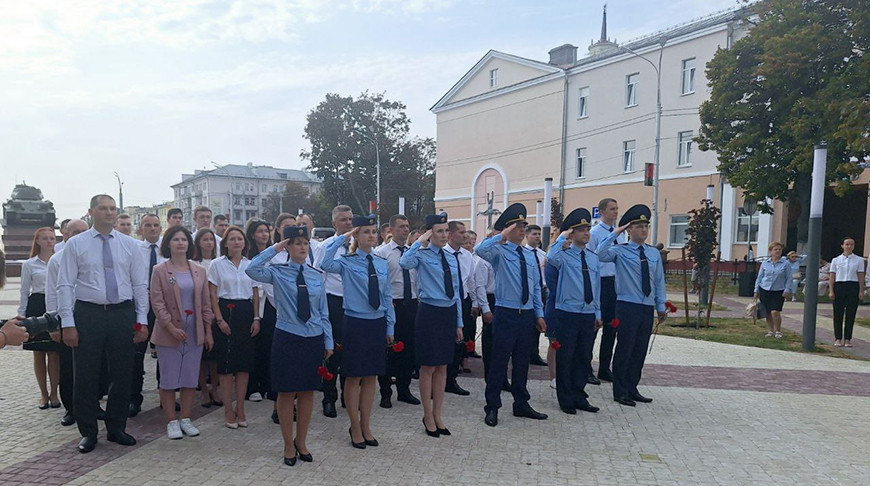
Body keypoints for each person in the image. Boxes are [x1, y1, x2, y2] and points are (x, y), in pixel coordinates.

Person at [57, 194, 150, 454]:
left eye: (112, 209)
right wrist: (68, 323)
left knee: (122, 374)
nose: (109, 213)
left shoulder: (130, 245)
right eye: (103, 208)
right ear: (91, 212)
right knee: (85, 375)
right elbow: (65, 284)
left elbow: (140, 284)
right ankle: (88, 432)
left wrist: (141, 319)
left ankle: (116, 428)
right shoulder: (76, 244)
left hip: (122, 313)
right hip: (89, 314)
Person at [246, 225, 334, 465]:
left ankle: (301, 441)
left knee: (306, 392)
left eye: (305, 243)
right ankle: (287, 444)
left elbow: (322, 312)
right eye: (296, 243)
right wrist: (275, 248)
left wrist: (328, 340)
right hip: (288, 337)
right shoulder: (278, 271)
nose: (302, 247)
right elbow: (252, 269)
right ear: (288, 246)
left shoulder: (316, 275)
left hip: (313, 338)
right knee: (286, 392)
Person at [320, 214, 395, 449]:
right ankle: (354, 424)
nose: (371, 235)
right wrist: (343, 237)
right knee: (353, 377)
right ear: (357, 235)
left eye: (374, 232)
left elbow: (387, 297)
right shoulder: (347, 261)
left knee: (371, 376)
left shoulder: (381, 263)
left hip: (376, 323)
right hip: (355, 323)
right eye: (366, 232)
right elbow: (325, 263)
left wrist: (390, 325)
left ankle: (366, 424)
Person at [476, 203, 548, 427]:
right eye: (517, 226)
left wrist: (539, 313)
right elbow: (480, 250)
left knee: (522, 361)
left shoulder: (529, 255)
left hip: (526, 314)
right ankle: (492, 406)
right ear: (507, 229)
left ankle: (521, 403)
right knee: (499, 361)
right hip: (506, 312)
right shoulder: (498, 250)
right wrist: (501, 235)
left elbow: (536, 287)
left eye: (523, 226)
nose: (522, 230)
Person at [596, 204, 668, 407]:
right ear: (629, 229)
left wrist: (660, 305)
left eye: (646, 226)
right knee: (625, 348)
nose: (643, 230)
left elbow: (659, 281)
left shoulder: (653, 253)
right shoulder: (619, 250)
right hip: (627, 306)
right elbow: (600, 254)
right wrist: (615, 232)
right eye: (638, 226)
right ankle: (620, 390)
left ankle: (632, 387)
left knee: (639, 349)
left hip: (646, 307)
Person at [400, 212, 463, 437]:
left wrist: (459, 322)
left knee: (443, 366)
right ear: (429, 233)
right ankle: (427, 414)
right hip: (429, 313)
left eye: (446, 231)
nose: (444, 235)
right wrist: (419, 241)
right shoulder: (422, 255)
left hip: (447, 314)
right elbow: (404, 262)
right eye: (439, 231)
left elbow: (455, 291)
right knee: (428, 366)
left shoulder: (450, 257)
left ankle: (438, 414)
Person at [149, 226, 214, 439]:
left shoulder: (199, 271)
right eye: (176, 239)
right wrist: (171, 327)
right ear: (168, 243)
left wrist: (208, 330)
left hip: (194, 332)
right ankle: (171, 421)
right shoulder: (160, 270)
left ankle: (186, 419)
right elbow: (157, 303)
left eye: (184, 239)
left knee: (189, 378)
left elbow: (205, 303)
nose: (180, 243)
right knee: (168, 379)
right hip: (169, 332)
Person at [547, 209, 602, 414]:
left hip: (587, 313)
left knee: (583, 356)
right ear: (572, 233)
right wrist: (562, 236)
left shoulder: (593, 257)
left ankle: (580, 395)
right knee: (566, 356)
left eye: (588, 229)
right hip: (567, 312)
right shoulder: (563, 255)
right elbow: (551, 257)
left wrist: (597, 313)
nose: (586, 233)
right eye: (580, 230)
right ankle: (566, 398)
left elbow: (596, 287)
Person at [207, 225, 260, 429]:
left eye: (240, 239)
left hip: (246, 312)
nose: (236, 242)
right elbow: (212, 293)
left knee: (244, 364)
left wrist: (256, 318)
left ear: (245, 243)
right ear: (226, 243)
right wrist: (219, 319)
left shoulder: (251, 264)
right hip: (226, 311)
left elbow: (255, 293)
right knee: (227, 364)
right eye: (232, 239)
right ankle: (228, 409)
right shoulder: (216, 264)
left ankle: (241, 409)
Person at [374, 214, 421, 408]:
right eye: (401, 226)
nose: (405, 230)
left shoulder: (413, 253)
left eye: (407, 226)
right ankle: (385, 392)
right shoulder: (381, 253)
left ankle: (404, 390)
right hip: (391, 305)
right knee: (388, 350)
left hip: (411, 304)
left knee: (408, 350)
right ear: (391, 230)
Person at [45, 218, 89, 426]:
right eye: (75, 232)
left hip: (91, 317)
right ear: (66, 235)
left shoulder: (94, 255)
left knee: (92, 365)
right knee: (68, 367)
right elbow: (52, 294)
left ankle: (91, 405)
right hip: (66, 319)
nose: (79, 235)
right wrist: (54, 324)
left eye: (84, 231)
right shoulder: (57, 259)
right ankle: (71, 409)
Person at [313, 205, 354, 418]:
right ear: (334, 224)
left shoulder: (359, 245)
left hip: (355, 305)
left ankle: (348, 396)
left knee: (350, 353)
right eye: (343, 220)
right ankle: (329, 398)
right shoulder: (326, 247)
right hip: (333, 302)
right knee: (332, 353)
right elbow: (318, 279)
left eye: (350, 219)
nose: (348, 223)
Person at [19, 226, 61, 409]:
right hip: (36, 304)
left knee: (54, 352)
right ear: (37, 241)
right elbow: (23, 291)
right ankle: (43, 394)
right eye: (45, 238)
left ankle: (54, 393)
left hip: (54, 304)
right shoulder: (29, 264)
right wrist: (21, 315)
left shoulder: (60, 260)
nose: (49, 241)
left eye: (52, 238)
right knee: (38, 352)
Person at [129, 213, 166, 418]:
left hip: (164, 309)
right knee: (136, 355)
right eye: (148, 225)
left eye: (156, 225)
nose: (152, 229)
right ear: (140, 229)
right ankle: (134, 398)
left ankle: (165, 395)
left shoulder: (167, 249)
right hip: (139, 309)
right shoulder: (134, 249)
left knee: (164, 353)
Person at [588, 198, 620, 382]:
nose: (615, 212)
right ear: (602, 212)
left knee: (611, 328)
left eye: (617, 209)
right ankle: (586, 368)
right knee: (594, 327)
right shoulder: (594, 233)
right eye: (612, 209)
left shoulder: (618, 234)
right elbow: (592, 259)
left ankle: (605, 368)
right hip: (600, 282)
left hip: (615, 284)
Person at [470, 231, 507, 390]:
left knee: (503, 343)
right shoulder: (483, 261)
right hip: (490, 300)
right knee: (490, 343)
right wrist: (485, 309)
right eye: (501, 239)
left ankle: (503, 378)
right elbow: (480, 287)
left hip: (503, 300)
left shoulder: (505, 258)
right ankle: (490, 378)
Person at [245, 219, 273, 404]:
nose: (264, 234)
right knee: (254, 347)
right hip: (253, 303)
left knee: (269, 346)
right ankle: (253, 386)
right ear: (253, 234)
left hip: (270, 303)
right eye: (260, 231)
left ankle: (268, 385)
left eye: (266, 231)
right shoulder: (248, 255)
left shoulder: (275, 253)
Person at [444, 220, 472, 396]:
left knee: (459, 342)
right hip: (446, 302)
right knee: (444, 341)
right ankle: (439, 379)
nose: (465, 236)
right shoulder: (442, 254)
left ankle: (451, 380)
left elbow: (469, 280)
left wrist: (476, 303)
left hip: (463, 299)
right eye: (461, 232)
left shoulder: (467, 256)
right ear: (451, 234)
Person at [193, 228, 220, 407]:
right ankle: (203, 390)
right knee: (201, 356)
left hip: (217, 310)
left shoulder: (219, 262)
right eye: (205, 239)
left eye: (211, 239)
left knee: (216, 356)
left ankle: (215, 390)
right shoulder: (194, 264)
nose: (209, 242)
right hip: (198, 312)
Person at [828, 237, 865, 347]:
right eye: (847, 244)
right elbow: (832, 276)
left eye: (851, 244)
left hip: (852, 286)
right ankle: (838, 338)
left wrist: (861, 290)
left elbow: (861, 276)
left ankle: (848, 339)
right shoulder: (836, 260)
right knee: (838, 313)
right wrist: (831, 290)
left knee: (851, 313)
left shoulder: (859, 260)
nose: (849, 246)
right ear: (842, 246)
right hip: (839, 286)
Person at [753, 242, 794, 339]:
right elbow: (760, 277)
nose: (778, 251)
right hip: (765, 289)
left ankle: (778, 331)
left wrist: (787, 289)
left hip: (779, 290)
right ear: (770, 251)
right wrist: (756, 290)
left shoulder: (785, 264)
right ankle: (770, 330)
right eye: (775, 249)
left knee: (775, 311)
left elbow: (789, 278)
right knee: (768, 312)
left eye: (779, 249)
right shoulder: (765, 263)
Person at [524, 224, 549, 367]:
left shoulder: (542, 254)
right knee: (528, 324)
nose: (538, 236)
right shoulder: (523, 252)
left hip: (542, 290)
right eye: (534, 234)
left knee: (539, 324)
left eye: (539, 234)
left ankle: (534, 353)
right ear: (527, 236)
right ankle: (526, 351)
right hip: (530, 291)